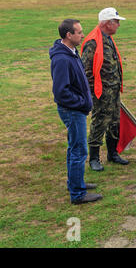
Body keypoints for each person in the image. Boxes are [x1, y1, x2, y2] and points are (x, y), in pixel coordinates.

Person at [50, 19, 103, 205]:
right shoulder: (62, 59)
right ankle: (78, 194)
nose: (83, 35)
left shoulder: (71, 53)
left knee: (74, 147)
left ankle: (75, 182)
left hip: (76, 109)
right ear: (68, 35)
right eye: (79, 32)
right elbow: (61, 91)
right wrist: (82, 103)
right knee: (79, 150)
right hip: (73, 111)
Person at [81, 7, 129, 171]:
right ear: (107, 23)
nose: (118, 25)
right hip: (101, 93)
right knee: (100, 123)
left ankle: (112, 154)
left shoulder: (107, 38)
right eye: (116, 22)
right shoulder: (93, 42)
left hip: (113, 91)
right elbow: (86, 72)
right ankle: (94, 158)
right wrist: (94, 93)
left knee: (114, 122)